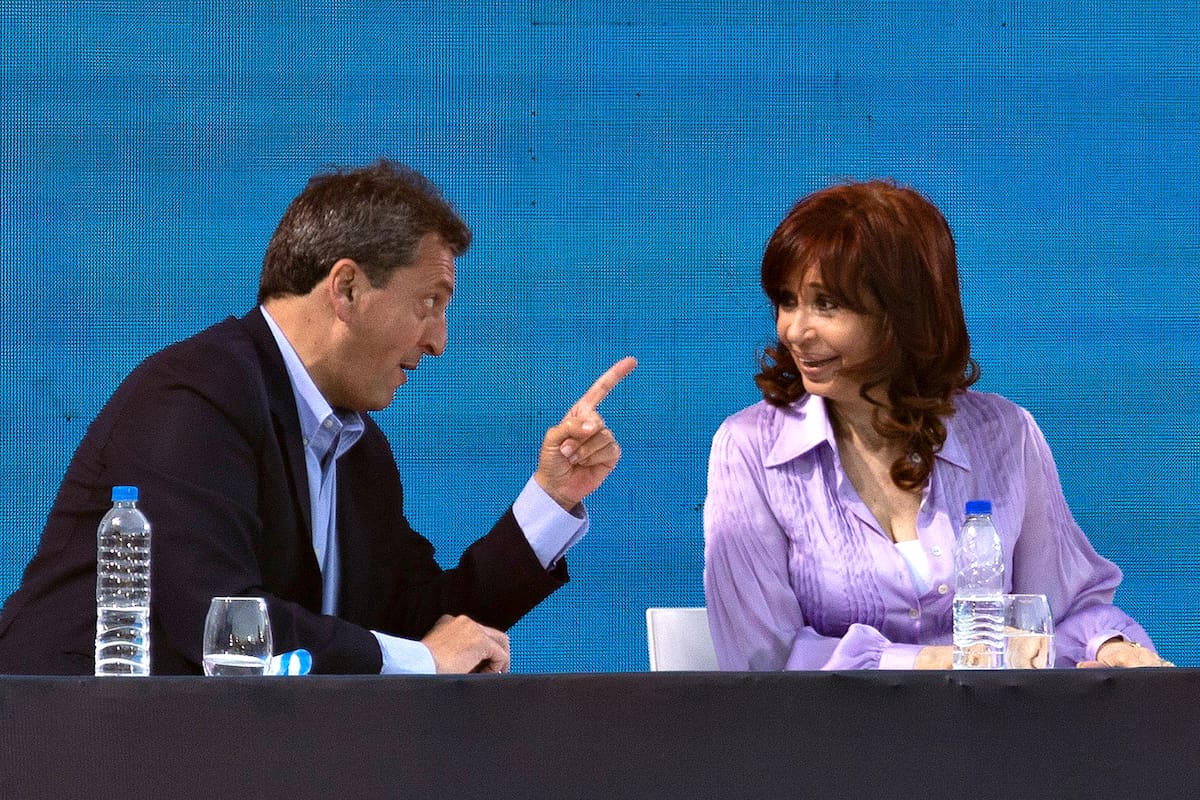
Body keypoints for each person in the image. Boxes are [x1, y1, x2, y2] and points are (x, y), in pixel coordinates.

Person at [0, 158, 636, 675]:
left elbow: (428, 623)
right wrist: (418, 659)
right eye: (428, 303)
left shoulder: (359, 448)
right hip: (70, 749)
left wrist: (551, 497)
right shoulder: (196, 396)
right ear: (348, 289)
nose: (439, 340)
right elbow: (220, 621)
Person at [703, 179, 1168, 670]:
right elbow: (762, 661)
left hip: (995, 738)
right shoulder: (749, 448)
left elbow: (1065, 611)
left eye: (827, 305)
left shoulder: (1005, 433)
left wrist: (1111, 648)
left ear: (902, 312)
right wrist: (925, 662)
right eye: (788, 301)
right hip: (826, 744)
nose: (794, 330)